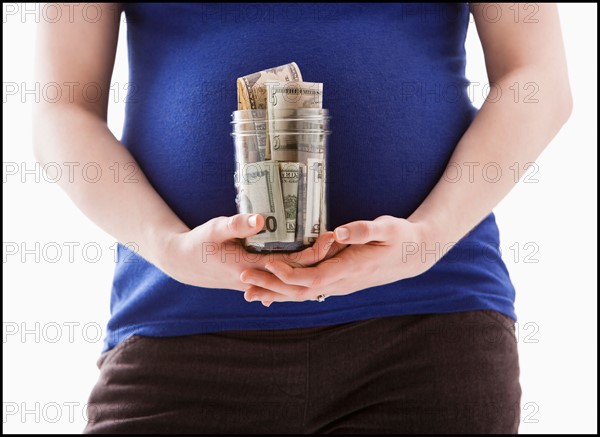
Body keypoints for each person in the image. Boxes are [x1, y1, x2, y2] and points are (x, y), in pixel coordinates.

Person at [33, 3, 571, 434]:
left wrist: (430, 237)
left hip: (428, 325)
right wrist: (167, 246)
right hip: (177, 326)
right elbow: (61, 106)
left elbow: (536, 75)